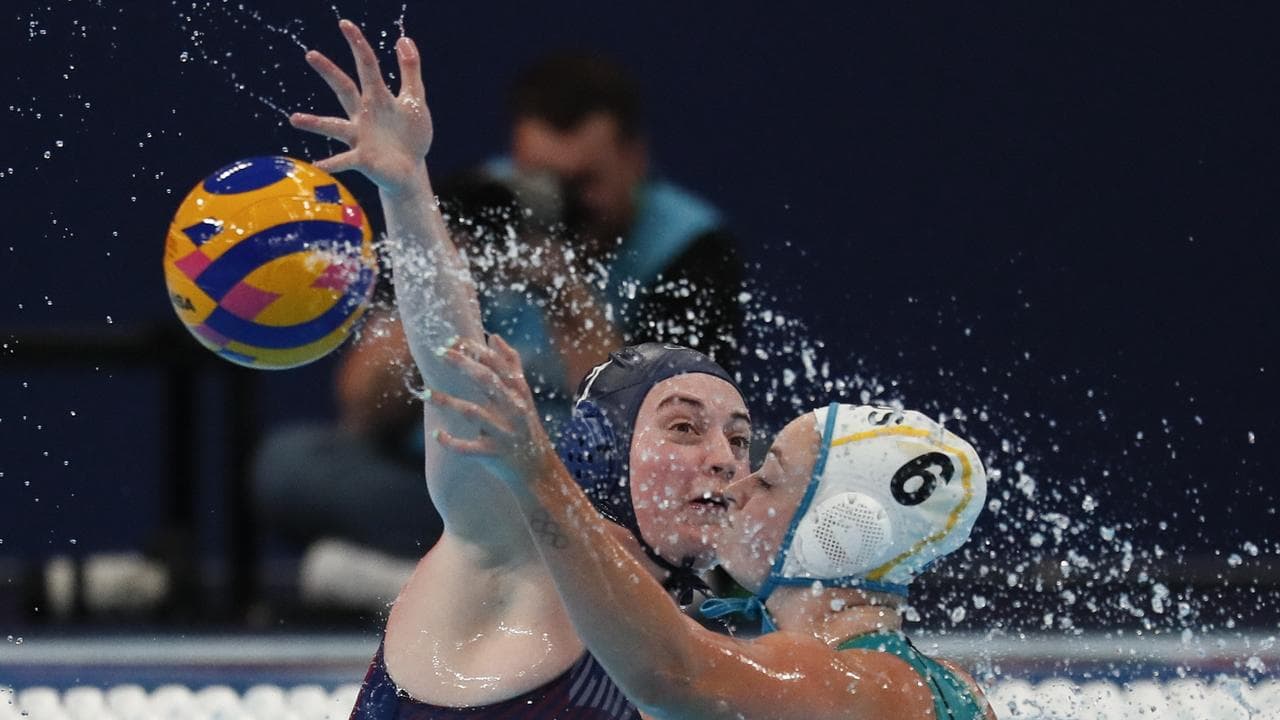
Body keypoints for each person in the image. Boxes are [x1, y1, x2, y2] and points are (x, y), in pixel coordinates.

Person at [288, 21, 749, 717]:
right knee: (299, 463)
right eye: (686, 429)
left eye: (738, 440)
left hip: (550, 500)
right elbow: (449, 365)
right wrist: (407, 190)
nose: (724, 460)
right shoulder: (505, 538)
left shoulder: (723, 639)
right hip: (503, 483)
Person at [431, 342, 996, 719]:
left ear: (836, 534)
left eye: (768, 479)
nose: (738, 484)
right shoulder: (951, 686)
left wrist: (539, 476)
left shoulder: (847, 684)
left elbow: (670, 672)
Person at [461, 51, 746, 419]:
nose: (559, 204)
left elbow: (662, 425)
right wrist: (443, 282)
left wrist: (562, 291)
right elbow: (382, 402)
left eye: (580, 183)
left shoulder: (693, 250)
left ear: (636, 159)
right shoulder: (481, 205)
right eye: (540, 182)